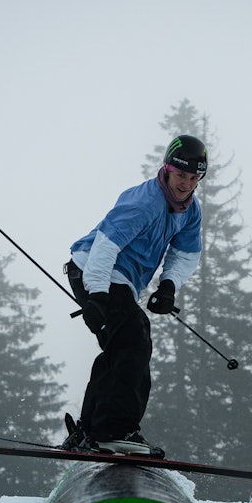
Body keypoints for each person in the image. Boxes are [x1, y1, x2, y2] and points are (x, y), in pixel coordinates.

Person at [60, 135, 207, 457]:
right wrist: (97, 295)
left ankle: (90, 430)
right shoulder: (144, 203)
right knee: (133, 341)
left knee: (121, 347)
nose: (186, 184)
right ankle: (114, 428)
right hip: (96, 269)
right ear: (167, 170)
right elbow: (105, 246)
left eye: (194, 178)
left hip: (121, 280)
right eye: (181, 175)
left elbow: (185, 254)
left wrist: (168, 286)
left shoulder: (189, 209)